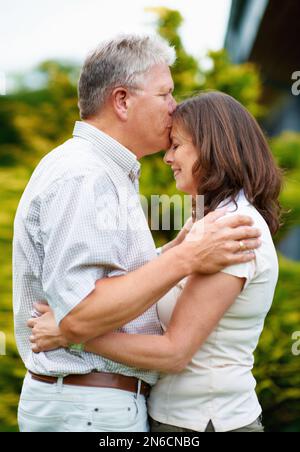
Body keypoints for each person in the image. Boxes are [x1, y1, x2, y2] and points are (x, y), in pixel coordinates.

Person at [14, 34, 261, 433]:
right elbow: (78, 314)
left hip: (90, 404)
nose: (174, 106)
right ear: (123, 100)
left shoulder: (102, 170)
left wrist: (173, 253)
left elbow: (105, 286)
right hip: (89, 408)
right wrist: (186, 258)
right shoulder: (85, 175)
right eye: (165, 93)